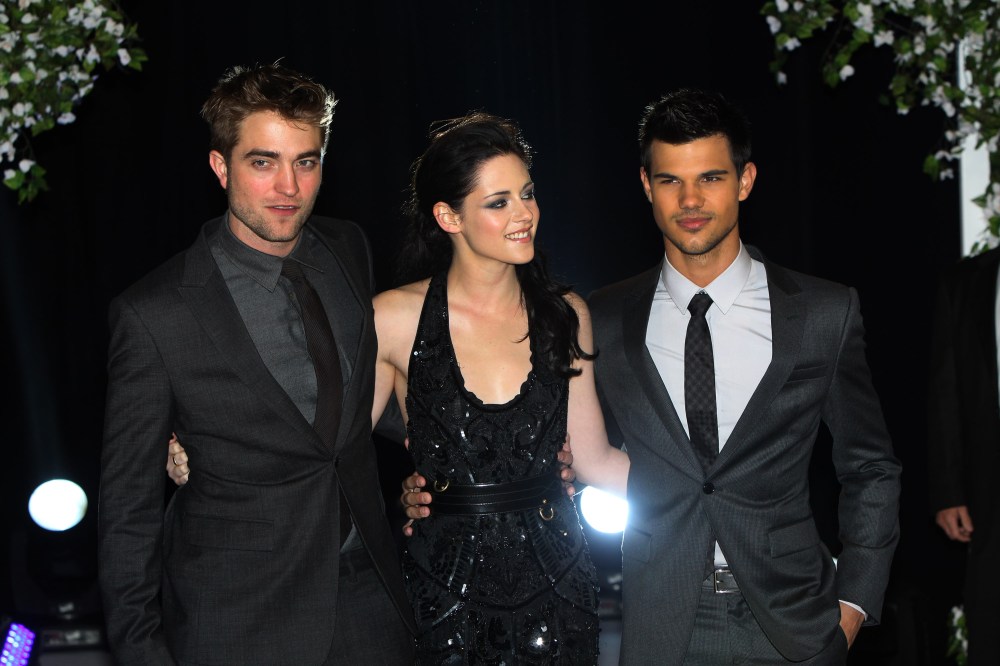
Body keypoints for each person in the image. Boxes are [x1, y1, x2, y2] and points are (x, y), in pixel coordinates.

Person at [404, 89, 902, 665]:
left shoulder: (822, 313)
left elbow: (871, 466)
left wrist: (853, 606)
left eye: (710, 178)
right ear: (646, 185)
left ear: (745, 180)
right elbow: (516, 424)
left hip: (795, 625)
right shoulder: (602, 317)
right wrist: (434, 479)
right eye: (670, 181)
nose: (690, 200)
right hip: (661, 625)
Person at [98, 62, 416, 665]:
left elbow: (353, 400)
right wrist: (142, 654)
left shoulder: (347, 247)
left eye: (306, 161)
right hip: (241, 619)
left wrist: (467, 450)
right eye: (263, 162)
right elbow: (127, 512)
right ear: (221, 167)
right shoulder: (154, 314)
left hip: (372, 602)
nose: (288, 187)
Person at [927, 245, 1000, 665]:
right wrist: (948, 490)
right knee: (990, 621)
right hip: (989, 492)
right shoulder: (967, 280)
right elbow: (946, 390)